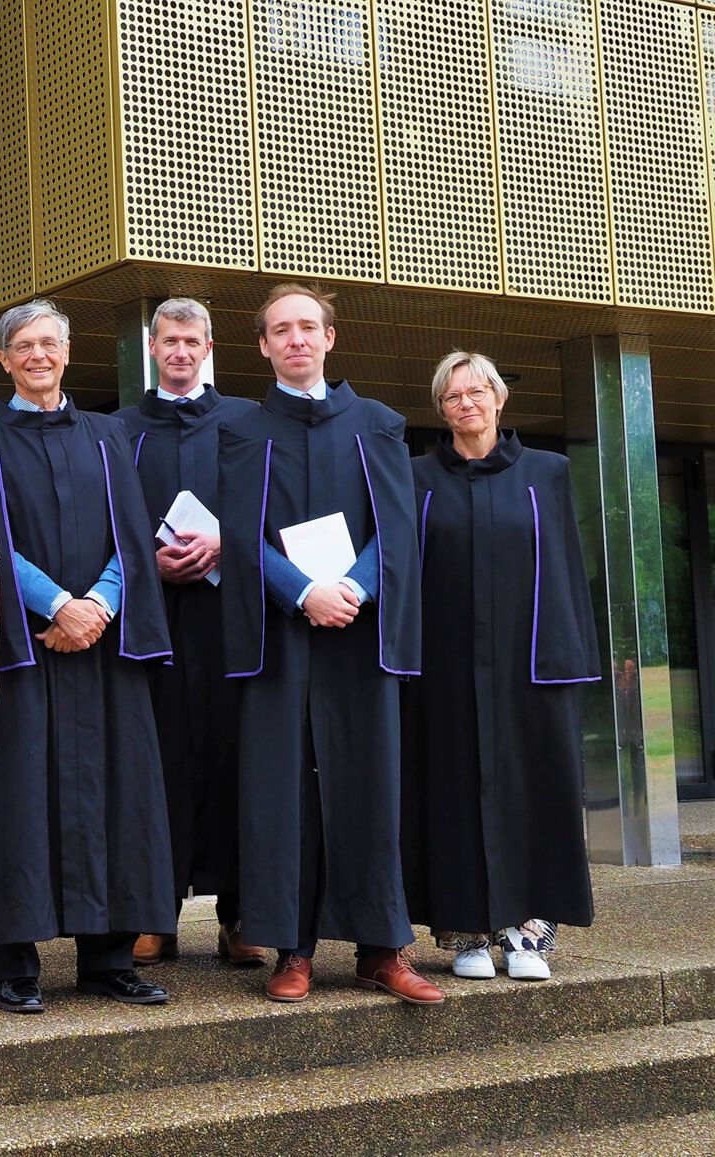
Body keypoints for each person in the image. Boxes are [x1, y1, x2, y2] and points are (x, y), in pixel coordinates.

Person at [214, 283, 441, 1004]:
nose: (296, 339)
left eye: (308, 327)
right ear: (262, 345)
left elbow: (398, 530)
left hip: (360, 633)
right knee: (282, 791)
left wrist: (353, 587)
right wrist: (300, 590)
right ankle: (293, 948)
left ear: (330, 337)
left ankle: (382, 948)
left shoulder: (378, 424)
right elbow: (241, 536)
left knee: (371, 784)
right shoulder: (243, 431)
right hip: (279, 635)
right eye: (281, 330)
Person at [0, 300, 177, 1012]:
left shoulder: (110, 434)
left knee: (119, 797)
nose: (38, 355)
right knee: (20, 799)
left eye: (49, 342)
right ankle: (17, 963)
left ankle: (110, 958)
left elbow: (133, 535)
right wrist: (57, 605)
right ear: (3, 358)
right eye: (23, 345)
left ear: (69, 349)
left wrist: (101, 606)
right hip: (25, 647)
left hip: (104, 647)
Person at [403, 352, 599, 981]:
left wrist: (569, 660)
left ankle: (526, 933)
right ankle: (466, 934)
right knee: (452, 791)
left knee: (531, 790)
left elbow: (567, 569)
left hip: (528, 666)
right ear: (441, 408)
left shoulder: (548, 473)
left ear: (499, 399)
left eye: (478, 390)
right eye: (453, 395)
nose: (467, 402)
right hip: (445, 669)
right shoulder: (416, 479)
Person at [112, 299, 272, 970]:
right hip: (152, 622)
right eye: (169, 340)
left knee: (239, 762)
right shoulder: (119, 429)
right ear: (153, 348)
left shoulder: (249, 421)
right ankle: (155, 914)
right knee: (158, 762)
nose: (180, 351)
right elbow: (105, 520)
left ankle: (241, 915)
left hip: (233, 619)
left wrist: (225, 541)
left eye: (192, 341)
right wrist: (148, 558)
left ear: (210, 347)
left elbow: (275, 508)